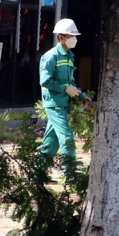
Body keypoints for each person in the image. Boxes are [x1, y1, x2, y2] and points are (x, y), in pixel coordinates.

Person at [39, 18, 86, 175]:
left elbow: (70, 81)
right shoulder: (50, 56)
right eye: (70, 35)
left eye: (74, 36)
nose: (74, 39)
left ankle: (37, 176)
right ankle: (70, 174)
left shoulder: (69, 56)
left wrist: (82, 96)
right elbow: (45, 81)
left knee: (51, 142)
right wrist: (64, 89)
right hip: (54, 104)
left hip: (63, 103)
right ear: (60, 37)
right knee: (67, 137)